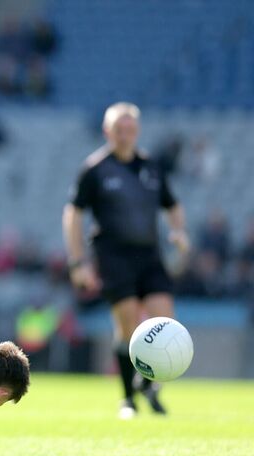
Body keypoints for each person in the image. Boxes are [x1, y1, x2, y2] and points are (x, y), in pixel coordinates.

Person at [62, 102, 190, 419]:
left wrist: (178, 231)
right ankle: (128, 398)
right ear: (108, 131)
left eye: (130, 128)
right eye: (119, 129)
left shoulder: (151, 167)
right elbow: (73, 214)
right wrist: (78, 261)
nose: (125, 134)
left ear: (138, 131)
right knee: (128, 323)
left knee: (165, 320)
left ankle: (148, 382)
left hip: (149, 253)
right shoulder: (95, 169)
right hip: (113, 256)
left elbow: (172, 205)